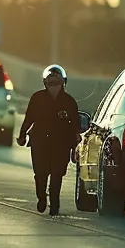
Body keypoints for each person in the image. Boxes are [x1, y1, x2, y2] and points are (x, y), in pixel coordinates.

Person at [18, 64, 83, 215]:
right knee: (40, 173)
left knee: (57, 173)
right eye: (51, 81)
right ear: (45, 83)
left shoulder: (69, 102)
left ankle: (55, 203)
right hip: (40, 141)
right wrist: (22, 135)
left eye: (57, 81)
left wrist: (74, 146)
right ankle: (42, 197)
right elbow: (29, 119)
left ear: (63, 83)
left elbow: (76, 126)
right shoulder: (37, 98)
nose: (54, 85)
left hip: (61, 143)